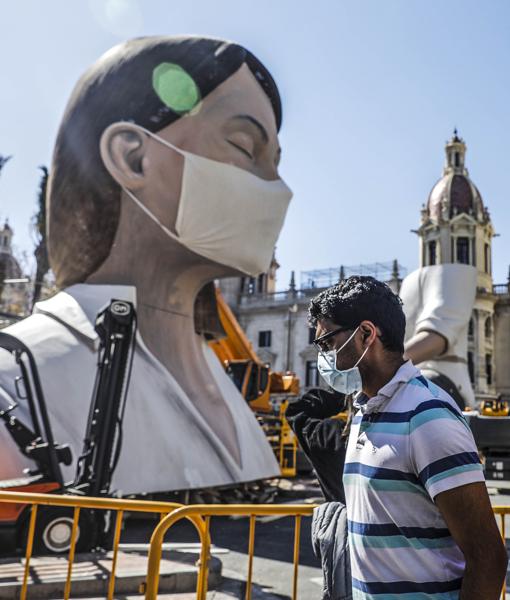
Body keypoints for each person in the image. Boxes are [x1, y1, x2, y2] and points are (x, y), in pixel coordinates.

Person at [0, 36, 292, 494]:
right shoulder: (13, 379)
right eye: (243, 146)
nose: (277, 187)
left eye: (276, 162)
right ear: (132, 157)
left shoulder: (226, 392)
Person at [308, 275, 507, 599]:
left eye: (328, 344)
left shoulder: (429, 418)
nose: (324, 358)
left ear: (366, 334)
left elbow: (488, 556)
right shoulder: (363, 410)